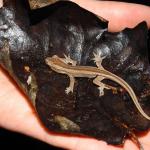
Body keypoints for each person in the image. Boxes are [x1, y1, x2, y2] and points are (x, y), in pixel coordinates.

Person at [0, 0, 150, 149]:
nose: (51, 62)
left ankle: (103, 85)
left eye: (53, 62)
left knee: (98, 82)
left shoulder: (70, 74)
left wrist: (70, 88)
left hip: (100, 74)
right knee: (98, 73)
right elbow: (70, 62)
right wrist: (72, 61)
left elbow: (72, 80)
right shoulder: (68, 67)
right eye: (53, 63)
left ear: (59, 68)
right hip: (99, 70)